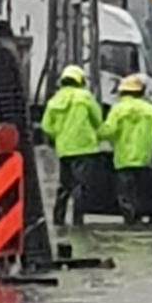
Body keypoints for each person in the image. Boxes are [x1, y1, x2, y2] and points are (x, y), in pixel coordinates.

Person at [100, 73, 152, 224]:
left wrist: (103, 138)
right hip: (144, 159)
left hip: (123, 159)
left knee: (126, 193)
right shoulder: (149, 109)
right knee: (143, 191)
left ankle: (130, 219)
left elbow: (108, 131)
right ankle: (142, 216)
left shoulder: (118, 109)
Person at [41, 65, 103, 227]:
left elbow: (46, 126)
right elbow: (98, 120)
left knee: (65, 184)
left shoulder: (55, 100)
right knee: (81, 185)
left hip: (64, 149)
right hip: (85, 148)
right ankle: (78, 219)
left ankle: (58, 217)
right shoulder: (85, 97)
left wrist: (58, 136)